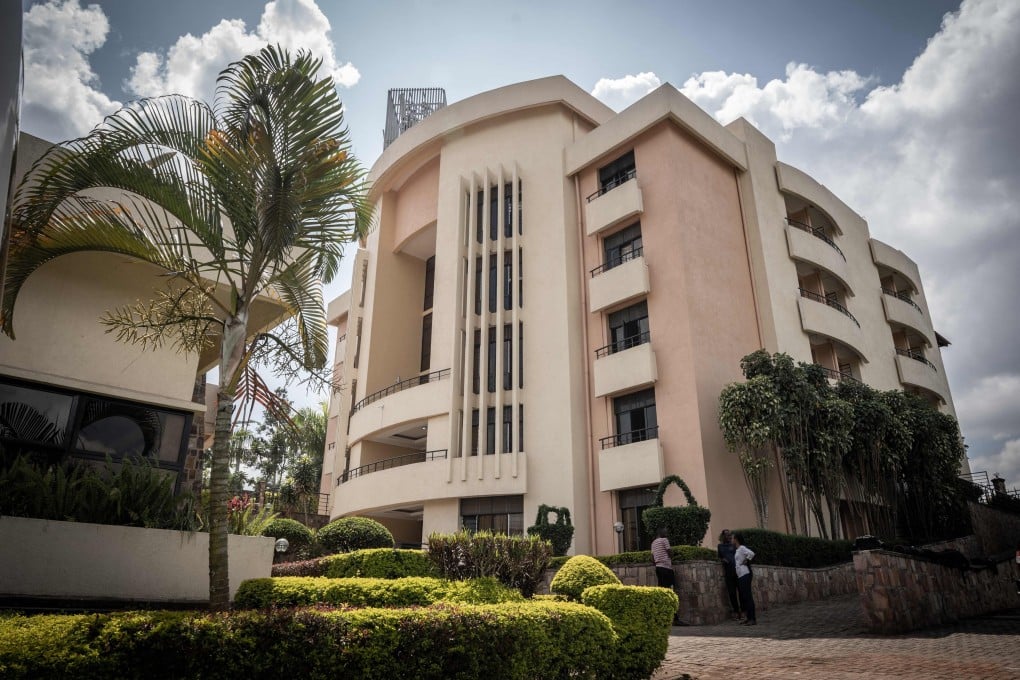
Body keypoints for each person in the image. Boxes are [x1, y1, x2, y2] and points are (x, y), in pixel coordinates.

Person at [651, 527, 686, 625]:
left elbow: (652, 559)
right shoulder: (664, 540)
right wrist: (672, 556)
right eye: (665, 531)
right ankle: (675, 618)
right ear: (660, 532)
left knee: (662, 592)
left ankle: (662, 617)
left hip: (658, 569)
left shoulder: (653, 543)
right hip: (666, 569)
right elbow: (670, 553)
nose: (666, 533)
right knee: (671, 591)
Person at [732, 531, 756, 626]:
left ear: (736, 539)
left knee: (748, 597)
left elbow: (752, 553)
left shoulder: (741, 548)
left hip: (745, 574)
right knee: (744, 597)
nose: (732, 540)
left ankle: (752, 619)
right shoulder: (737, 550)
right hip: (740, 575)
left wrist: (746, 560)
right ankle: (748, 618)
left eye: (733, 538)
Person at [717, 529, 741, 620]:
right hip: (728, 573)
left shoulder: (734, 545)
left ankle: (743, 611)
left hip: (737, 572)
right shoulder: (720, 546)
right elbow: (720, 557)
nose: (729, 536)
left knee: (741, 592)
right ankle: (736, 611)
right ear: (723, 536)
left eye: (730, 535)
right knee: (732, 593)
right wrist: (722, 560)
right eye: (727, 535)